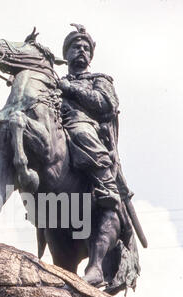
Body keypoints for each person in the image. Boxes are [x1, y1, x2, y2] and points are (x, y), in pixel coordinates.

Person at [58, 23, 121, 210]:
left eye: (86, 48)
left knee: (80, 132)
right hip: (55, 124)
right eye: (76, 47)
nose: (82, 51)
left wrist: (71, 89)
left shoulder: (99, 79)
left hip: (86, 125)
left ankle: (107, 184)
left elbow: (106, 104)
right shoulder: (56, 82)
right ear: (66, 54)